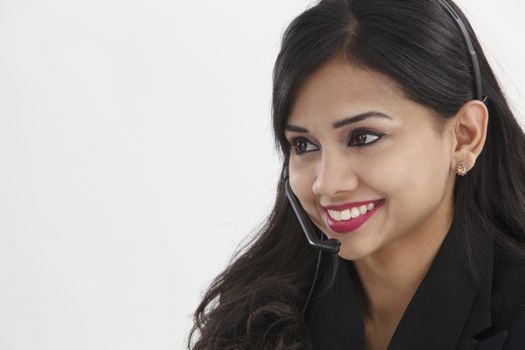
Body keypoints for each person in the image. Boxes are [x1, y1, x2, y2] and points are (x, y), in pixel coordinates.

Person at [187, 0, 525, 349]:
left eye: (363, 137)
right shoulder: (252, 321)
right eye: (304, 145)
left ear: (465, 135)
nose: (327, 184)